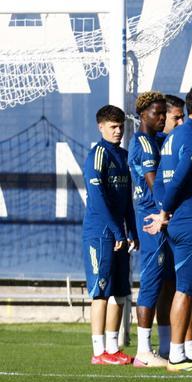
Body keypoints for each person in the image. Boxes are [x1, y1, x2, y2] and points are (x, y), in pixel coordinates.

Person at [143, 84, 192, 373]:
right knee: (186, 290)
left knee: (185, 287)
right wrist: (165, 211)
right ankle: (176, 356)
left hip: (178, 219)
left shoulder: (173, 137)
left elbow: (162, 180)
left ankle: (181, 351)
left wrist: (164, 208)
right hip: (190, 219)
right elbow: (178, 177)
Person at [84, 104, 136, 366]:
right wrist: (117, 231)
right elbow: (98, 199)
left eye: (120, 126)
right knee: (100, 292)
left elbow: (126, 200)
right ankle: (98, 351)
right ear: (101, 127)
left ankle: (113, 348)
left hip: (120, 235)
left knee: (120, 292)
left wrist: (132, 230)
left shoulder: (124, 156)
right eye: (113, 127)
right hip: (100, 234)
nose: (118, 131)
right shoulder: (98, 155)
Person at [127, 91, 172, 367]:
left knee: (166, 281)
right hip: (151, 218)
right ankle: (143, 351)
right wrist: (168, 208)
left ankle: (166, 347)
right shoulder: (143, 142)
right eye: (157, 113)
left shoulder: (156, 140)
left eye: (164, 113)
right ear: (142, 115)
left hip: (160, 217)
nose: (162, 118)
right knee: (152, 279)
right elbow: (155, 184)